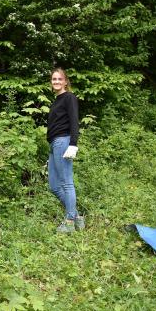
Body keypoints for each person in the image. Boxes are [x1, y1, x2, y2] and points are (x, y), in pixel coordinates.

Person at [46, 68, 84, 233]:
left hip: (64, 141)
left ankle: (69, 221)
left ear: (65, 81)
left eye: (59, 79)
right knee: (54, 186)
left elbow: (74, 121)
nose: (56, 82)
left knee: (67, 183)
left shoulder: (69, 97)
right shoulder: (56, 100)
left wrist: (73, 144)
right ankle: (77, 218)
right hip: (54, 144)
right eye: (54, 79)